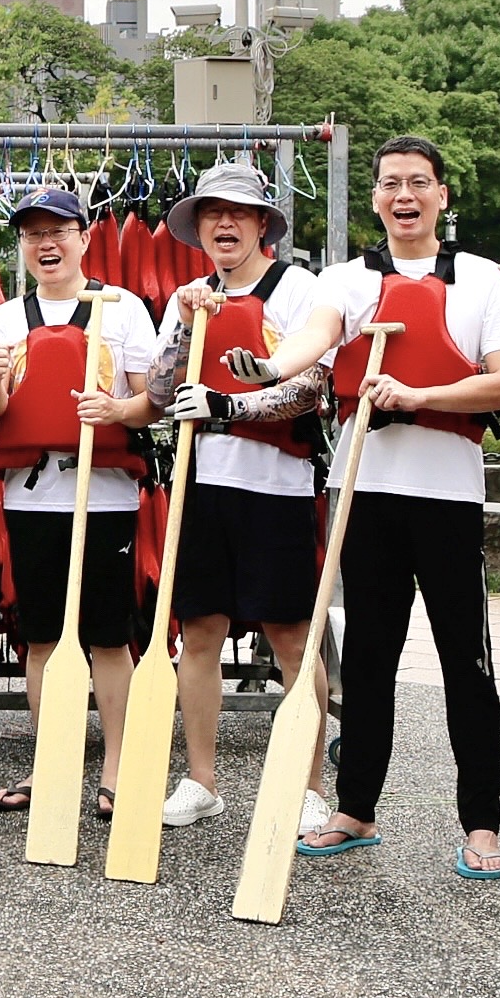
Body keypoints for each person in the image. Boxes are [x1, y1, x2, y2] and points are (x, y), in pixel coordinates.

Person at [268, 135, 500, 873]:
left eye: (418, 183)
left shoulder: (480, 281)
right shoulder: (344, 281)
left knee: (465, 665)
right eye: (389, 184)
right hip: (364, 493)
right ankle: (353, 810)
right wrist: (266, 368)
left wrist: (418, 396)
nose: (403, 195)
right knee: (371, 661)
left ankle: (481, 824)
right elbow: (313, 342)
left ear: (442, 196)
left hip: (446, 496)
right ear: (376, 198)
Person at [143, 162, 333, 831]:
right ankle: (200, 779)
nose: (223, 224)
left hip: (275, 485)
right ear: (197, 229)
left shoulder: (298, 289)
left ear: (260, 225)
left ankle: (307, 784)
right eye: (211, 214)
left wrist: (233, 405)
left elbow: (309, 387)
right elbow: (161, 394)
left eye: (238, 213)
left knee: (288, 634)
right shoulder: (188, 295)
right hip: (202, 482)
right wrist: (187, 329)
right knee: (198, 632)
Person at [0, 188, 161, 816]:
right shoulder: (5, 319)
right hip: (33, 496)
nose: (45, 244)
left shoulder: (122, 309)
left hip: (103, 495)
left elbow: (149, 403)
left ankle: (115, 766)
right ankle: (50, 762)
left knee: (108, 636)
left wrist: (116, 411)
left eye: (57, 231)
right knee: (44, 637)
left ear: (83, 236)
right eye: (31, 234)